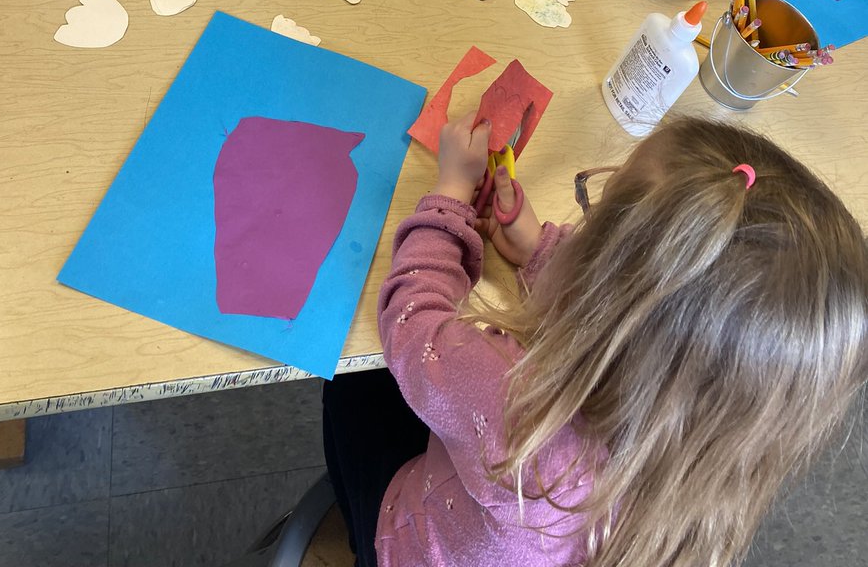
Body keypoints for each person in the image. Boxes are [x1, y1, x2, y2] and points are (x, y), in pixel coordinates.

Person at [323, 113, 868, 567]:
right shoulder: (712, 466)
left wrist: (449, 197)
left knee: (351, 386)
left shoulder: (518, 402)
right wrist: (537, 249)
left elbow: (412, 320)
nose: (581, 224)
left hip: (409, 542)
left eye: (595, 212)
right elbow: (641, 323)